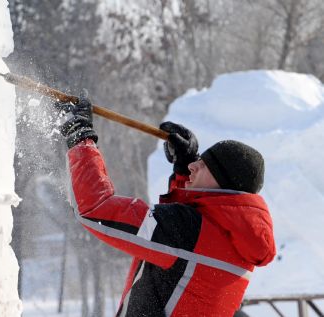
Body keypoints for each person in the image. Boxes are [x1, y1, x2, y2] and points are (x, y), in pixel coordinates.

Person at [56, 91, 276, 317]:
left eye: (205, 165)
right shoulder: (236, 238)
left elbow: (96, 208)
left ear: (224, 184)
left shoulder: (188, 231)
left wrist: (80, 137)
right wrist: (183, 171)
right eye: (198, 161)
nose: (194, 166)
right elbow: (188, 256)